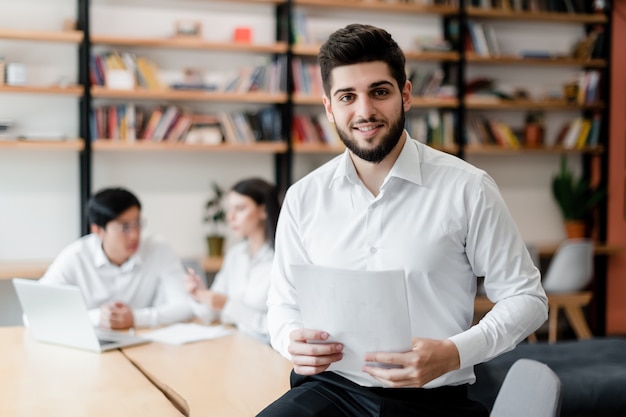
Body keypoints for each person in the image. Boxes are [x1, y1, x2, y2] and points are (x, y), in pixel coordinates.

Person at [258, 23, 548, 417]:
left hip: (432, 399)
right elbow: (282, 304)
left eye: (379, 91)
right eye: (347, 96)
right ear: (328, 107)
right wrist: (290, 339)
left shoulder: (468, 188)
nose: (364, 111)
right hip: (330, 391)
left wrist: (454, 352)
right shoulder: (303, 198)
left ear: (405, 94)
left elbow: (527, 300)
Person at [39, 187, 194, 330]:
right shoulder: (76, 257)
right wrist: (97, 317)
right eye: (124, 227)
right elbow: (37, 313)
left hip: (144, 343)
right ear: (98, 230)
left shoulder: (159, 250)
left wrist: (136, 318)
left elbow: (186, 306)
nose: (134, 235)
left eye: (137, 224)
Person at [185, 177, 280, 344]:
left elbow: (278, 329)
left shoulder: (280, 259)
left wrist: (227, 305)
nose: (230, 217)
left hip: (266, 351)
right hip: (234, 344)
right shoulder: (235, 254)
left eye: (240, 209)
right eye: (230, 209)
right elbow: (210, 314)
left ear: (263, 211)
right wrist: (200, 295)